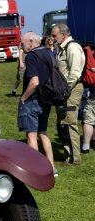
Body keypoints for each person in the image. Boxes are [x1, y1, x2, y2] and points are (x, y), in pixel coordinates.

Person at [18, 31, 56, 175]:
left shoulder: (32, 56)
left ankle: (36, 169)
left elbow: (34, 82)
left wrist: (23, 98)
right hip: (46, 98)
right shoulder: (49, 53)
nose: (22, 46)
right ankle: (52, 168)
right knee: (43, 133)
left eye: (23, 43)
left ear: (32, 42)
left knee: (31, 135)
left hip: (33, 100)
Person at [52, 23, 85, 165]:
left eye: (55, 35)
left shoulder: (72, 48)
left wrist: (64, 90)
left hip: (71, 90)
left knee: (69, 123)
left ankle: (74, 158)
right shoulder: (63, 48)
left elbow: (75, 73)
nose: (53, 38)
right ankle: (68, 154)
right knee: (62, 123)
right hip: (65, 90)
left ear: (63, 34)